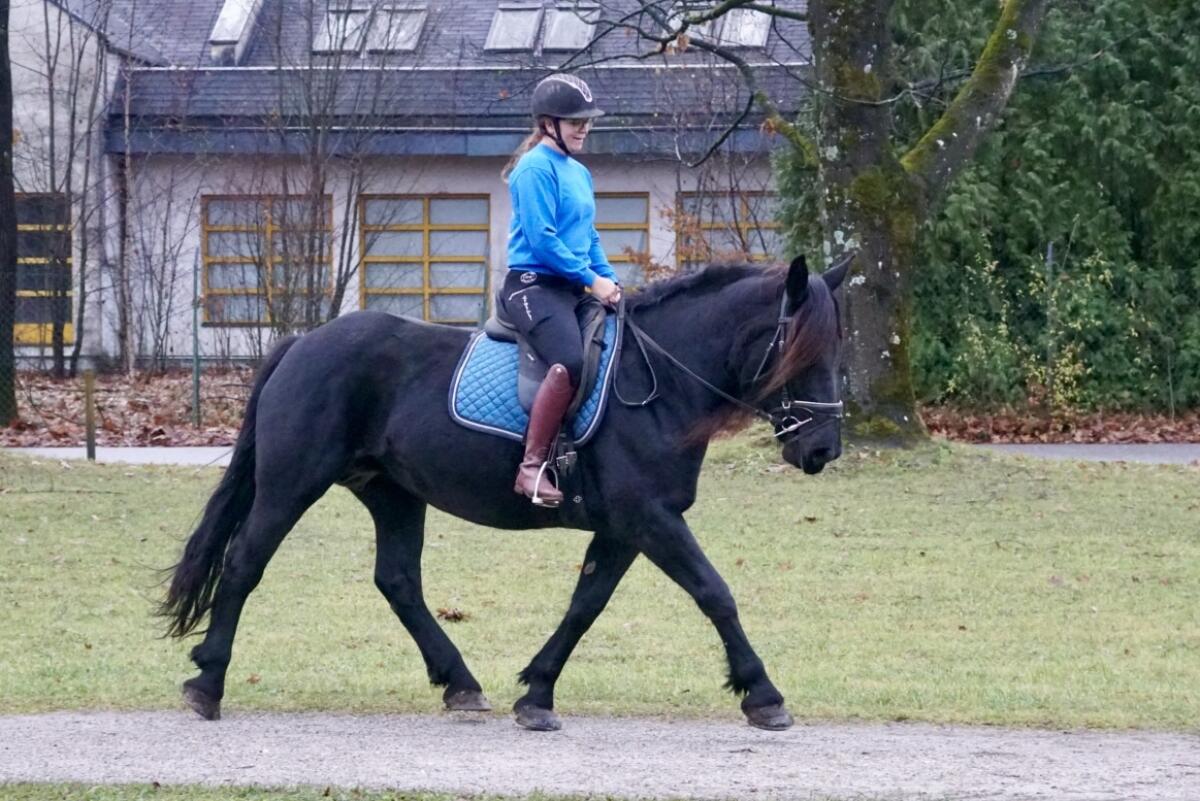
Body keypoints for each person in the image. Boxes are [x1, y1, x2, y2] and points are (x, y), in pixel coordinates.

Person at [499, 73, 622, 507]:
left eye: (587, 120)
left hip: (572, 285)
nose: (584, 127)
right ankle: (531, 468)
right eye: (575, 121)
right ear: (548, 123)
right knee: (569, 359)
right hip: (533, 285)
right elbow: (542, 240)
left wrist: (611, 281)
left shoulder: (580, 173)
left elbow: (587, 239)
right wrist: (591, 280)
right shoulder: (534, 168)